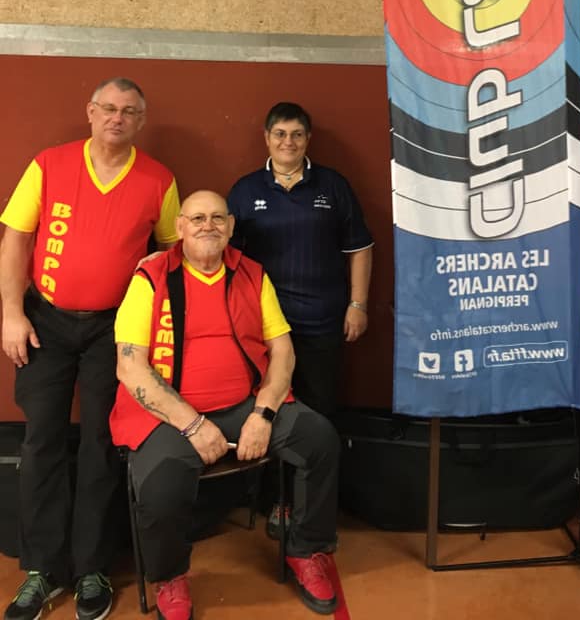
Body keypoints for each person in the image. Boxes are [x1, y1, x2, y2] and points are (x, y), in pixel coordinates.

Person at [110, 190, 343, 620]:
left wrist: (263, 413)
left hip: (245, 405)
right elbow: (130, 368)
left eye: (218, 217)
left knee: (320, 440)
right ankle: (170, 577)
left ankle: (306, 549)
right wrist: (192, 425)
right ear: (180, 227)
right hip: (170, 416)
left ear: (232, 227)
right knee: (160, 484)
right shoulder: (151, 278)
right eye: (197, 218)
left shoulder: (252, 273)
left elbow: (283, 351)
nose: (208, 225)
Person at [0, 77, 179, 620]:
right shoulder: (49, 164)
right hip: (45, 321)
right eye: (108, 108)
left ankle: (91, 568)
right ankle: (41, 569)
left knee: (103, 443)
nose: (117, 118)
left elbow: (171, 252)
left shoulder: (159, 180)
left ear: (141, 121)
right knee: (42, 440)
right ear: (90, 112)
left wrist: (152, 318)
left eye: (129, 111)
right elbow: (16, 239)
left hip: (114, 330)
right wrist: (10, 313)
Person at [226, 102, 373, 537]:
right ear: (266, 138)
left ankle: (313, 510)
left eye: (296, 134)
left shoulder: (333, 186)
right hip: (264, 329)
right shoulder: (245, 190)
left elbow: (360, 248)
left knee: (319, 415)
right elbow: (228, 260)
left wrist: (358, 304)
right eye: (280, 134)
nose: (287, 142)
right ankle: (276, 500)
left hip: (323, 321)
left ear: (308, 139)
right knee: (267, 412)